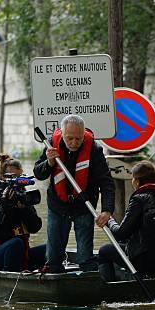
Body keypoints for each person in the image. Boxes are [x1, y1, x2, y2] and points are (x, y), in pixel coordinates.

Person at [34, 114, 115, 272]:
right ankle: (54, 280)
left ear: (83, 134)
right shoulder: (51, 144)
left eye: (78, 139)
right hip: (57, 205)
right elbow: (38, 173)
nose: (74, 143)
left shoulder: (94, 149)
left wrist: (107, 210)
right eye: (69, 138)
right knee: (53, 258)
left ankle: (89, 284)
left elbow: (106, 183)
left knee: (85, 257)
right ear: (62, 133)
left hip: (84, 205)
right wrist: (49, 163)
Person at [98, 161, 155, 281]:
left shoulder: (139, 199)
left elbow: (121, 234)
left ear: (137, 181)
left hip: (146, 259)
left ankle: (109, 289)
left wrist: (109, 220)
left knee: (105, 251)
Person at [0, 155, 46, 272]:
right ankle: (11, 280)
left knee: (52, 248)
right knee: (15, 244)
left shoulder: (22, 197)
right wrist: (7, 207)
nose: (16, 185)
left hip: (19, 253)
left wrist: (24, 209)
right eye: (12, 179)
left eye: (19, 179)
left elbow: (35, 227)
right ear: (2, 179)